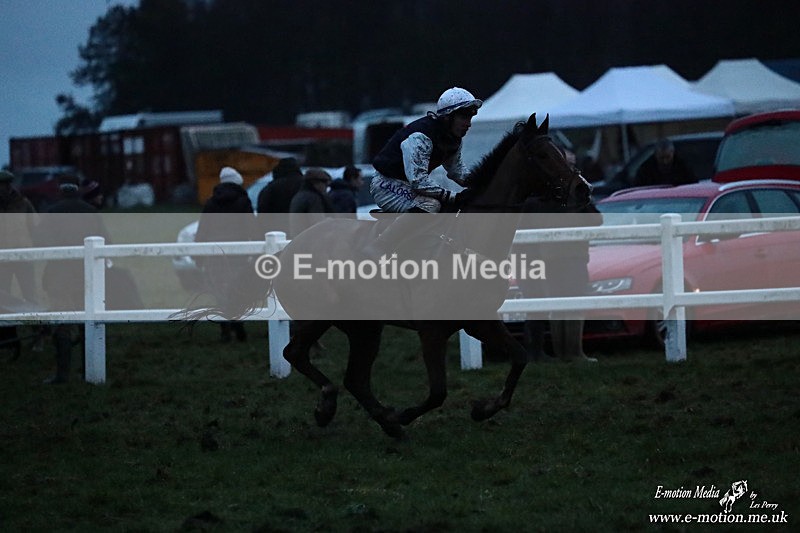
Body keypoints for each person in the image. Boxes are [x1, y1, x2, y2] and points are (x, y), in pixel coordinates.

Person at [363, 87, 482, 258]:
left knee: (450, 207)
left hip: (408, 186)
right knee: (431, 205)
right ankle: (380, 246)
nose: (469, 124)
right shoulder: (421, 136)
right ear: (447, 116)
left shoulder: (453, 139)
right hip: (386, 184)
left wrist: (482, 183)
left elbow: (458, 171)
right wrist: (453, 196)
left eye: (470, 117)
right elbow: (418, 182)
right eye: (464, 117)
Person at [517, 150, 602, 364]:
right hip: (566, 257)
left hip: (558, 257)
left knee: (562, 305)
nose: (573, 170)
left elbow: (596, 220)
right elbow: (594, 219)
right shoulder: (561, 195)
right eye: (570, 165)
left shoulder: (544, 195)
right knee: (570, 304)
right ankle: (573, 353)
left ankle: (566, 353)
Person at [38, 175, 110, 383]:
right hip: (87, 275)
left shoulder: (51, 212)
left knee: (62, 323)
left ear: (60, 189)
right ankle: (88, 372)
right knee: (87, 323)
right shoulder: (92, 212)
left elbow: (41, 241)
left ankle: (62, 374)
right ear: (78, 189)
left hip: (59, 276)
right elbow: (106, 240)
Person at [195, 166, 260, 343]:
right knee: (237, 289)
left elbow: (203, 230)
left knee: (219, 291)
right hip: (237, 254)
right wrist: (256, 250)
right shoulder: (243, 201)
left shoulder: (211, 203)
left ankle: (225, 329)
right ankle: (238, 326)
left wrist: (198, 256)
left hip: (215, 255)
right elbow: (251, 228)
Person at [0, 169, 39, 304]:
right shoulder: (22, 203)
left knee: (30, 294)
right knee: (3, 296)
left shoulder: (23, 203)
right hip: (2, 258)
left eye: (5, 185)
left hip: (23, 255)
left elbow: (35, 226)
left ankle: (34, 317)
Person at [256, 157, 304, 235]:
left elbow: (263, 212)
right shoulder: (306, 185)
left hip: (277, 231)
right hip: (303, 230)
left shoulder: (271, 188)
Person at [288, 168, 335, 238]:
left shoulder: (299, 195)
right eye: (325, 183)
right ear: (315, 183)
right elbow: (318, 223)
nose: (326, 187)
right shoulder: (313, 198)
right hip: (311, 238)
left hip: (298, 237)